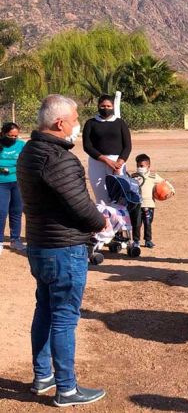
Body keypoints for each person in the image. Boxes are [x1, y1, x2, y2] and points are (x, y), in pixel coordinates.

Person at [17, 95, 107, 406]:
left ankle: (43, 376)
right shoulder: (58, 158)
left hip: (40, 246)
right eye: (75, 120)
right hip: (64, 249)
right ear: (60, 123)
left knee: (45, 309)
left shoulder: (30, 150)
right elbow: (81, 207)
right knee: (65, 318)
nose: (77, 126)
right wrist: (103, 221)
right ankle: (66, 389)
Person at [82, 94, 132, 203]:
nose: (106, 108)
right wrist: (105, 160)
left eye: (109, 106)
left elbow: (127, 146)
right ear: (98, 106)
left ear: (113, 107)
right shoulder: (90, 123)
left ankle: (120, 219)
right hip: (97, 162)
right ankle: (104, 219)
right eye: (103, 106)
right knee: (101, 198)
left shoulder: (120, 123)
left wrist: (119, 163)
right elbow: (87, 146)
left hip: (117, 164)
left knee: (119, 197)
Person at [130, 153, 174, 249]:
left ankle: (148, 240)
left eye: (142, 166)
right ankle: (136, 240)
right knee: (136, 224)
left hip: (149, 204)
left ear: (148, 166)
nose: (139, 168)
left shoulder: (154, 176)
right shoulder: (133, 176)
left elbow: (165, 183)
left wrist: (171, 191)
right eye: (138, 166)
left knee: (148, 222)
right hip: (136, 205)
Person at [0, 122, 26, 254]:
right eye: (10, 136)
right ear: (3, 133)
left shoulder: (21, 145)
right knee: (1, 211)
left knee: (16, 211)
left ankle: (15, 240)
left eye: (15, 136)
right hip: (1, 183)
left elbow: (28, 160)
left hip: (17, 182)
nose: (13, 138)